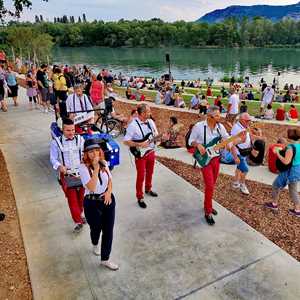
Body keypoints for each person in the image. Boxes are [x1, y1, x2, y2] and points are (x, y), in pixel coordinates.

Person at [188, 106, 239, 225]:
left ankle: (208, 204)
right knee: (210, 185)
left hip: (216, 159)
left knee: (212, 184)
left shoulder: (220, 127)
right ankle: (208, 211)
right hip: (205, 160)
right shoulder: (199, 126)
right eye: (216, 115)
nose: (219, 117)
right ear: (209, 116)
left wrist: (230, 145)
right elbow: (191, 140)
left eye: (219, 114)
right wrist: (198, 145)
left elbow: (227, 139)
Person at [79, 138, 119, 270]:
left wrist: (109, 192)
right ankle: (95, 242)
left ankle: (105, 259)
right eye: (90, 151)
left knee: (108, 230)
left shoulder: (105, 163)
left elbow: (110, 180)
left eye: (96, 150)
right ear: (86, 153)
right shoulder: (83, 167)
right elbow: (91, 186)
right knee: (96, 228)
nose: (94, 153)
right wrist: (96, 168)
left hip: (107, 200)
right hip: (92, 203)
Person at [50, 118, 86, 233]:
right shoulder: (56, 142)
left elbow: (85, 154)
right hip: (67, 176)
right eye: (68, 130)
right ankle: (78, 221)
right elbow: (53, 158)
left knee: (82, 198)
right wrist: (59, 166)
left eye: (73, 130)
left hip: (81, 174)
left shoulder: (80, 139)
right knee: (72, 199)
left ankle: (79, 214)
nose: (71, 133)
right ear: (62, 129)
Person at [123, 103, 159, 209]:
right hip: (140, 154)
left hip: (151, 151)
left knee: (150, 172)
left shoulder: (151, 122)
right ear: (143, 113)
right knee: (141, 176)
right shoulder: (133, 125)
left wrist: (163, 138)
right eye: (148, 111)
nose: (150, 113)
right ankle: (140, 197)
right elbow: (126, 141)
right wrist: (139, 144)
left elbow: (156, 136)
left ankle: (148, 189)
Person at [265, 128, 300, 218]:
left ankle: (274, 204)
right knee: (293, 190)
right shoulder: (298, 145)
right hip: (297, 170)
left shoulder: (290, 148)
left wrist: (278, 153)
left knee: (276, 185)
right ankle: (297, 210)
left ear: (289, 137)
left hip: (289, 171)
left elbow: (286, 162)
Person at [231, 113, 255, 195]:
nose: (249, 122)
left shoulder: (245, 126)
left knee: (239, 168)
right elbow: (232, 143)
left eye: (249, 120)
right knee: (245, 169)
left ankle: (235, 182)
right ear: (241, 120)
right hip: (238, 153)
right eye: (247, 120)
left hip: (244, 151)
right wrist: (235, 157)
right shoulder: (236, 128)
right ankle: (242, 185)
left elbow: (248, 136)